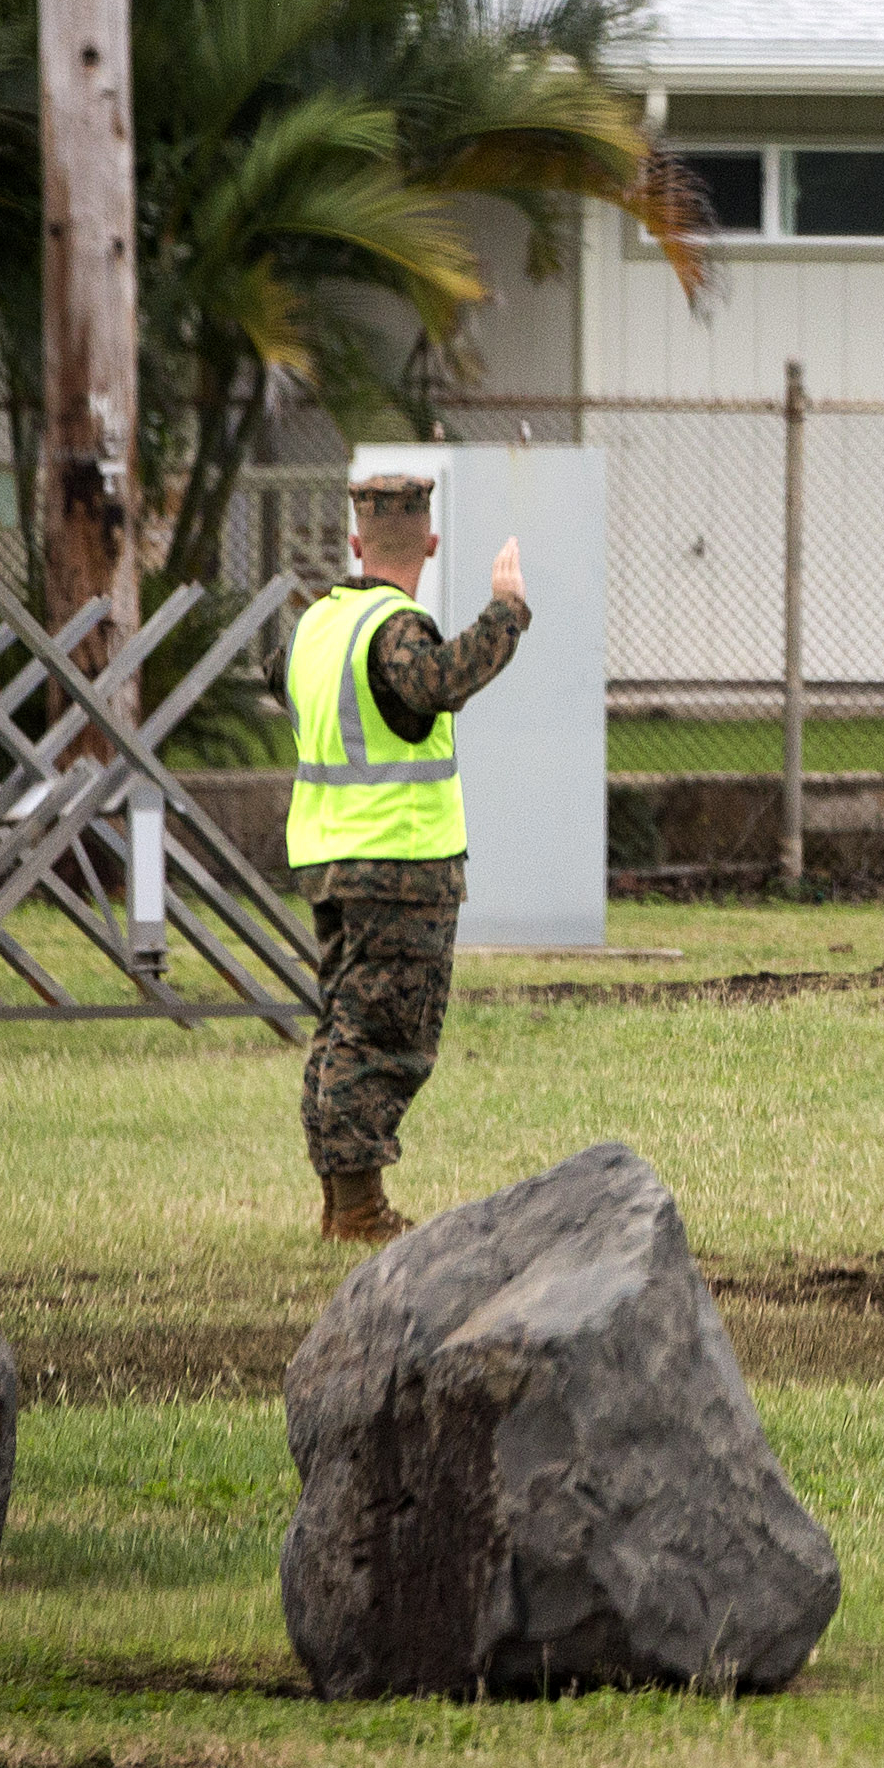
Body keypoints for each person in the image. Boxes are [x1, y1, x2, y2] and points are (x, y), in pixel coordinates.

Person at [284, 473, 529, 1242]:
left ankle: (343, 1201)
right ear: (429, 541)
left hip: (329, 856)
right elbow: (437, 681)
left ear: (355, 544)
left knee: (343, 1027)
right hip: (398, 863)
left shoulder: (314, 627)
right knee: (382, 1036)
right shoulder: (394, 629)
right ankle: (357, 1209)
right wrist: (506, 614)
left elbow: (283, 684)